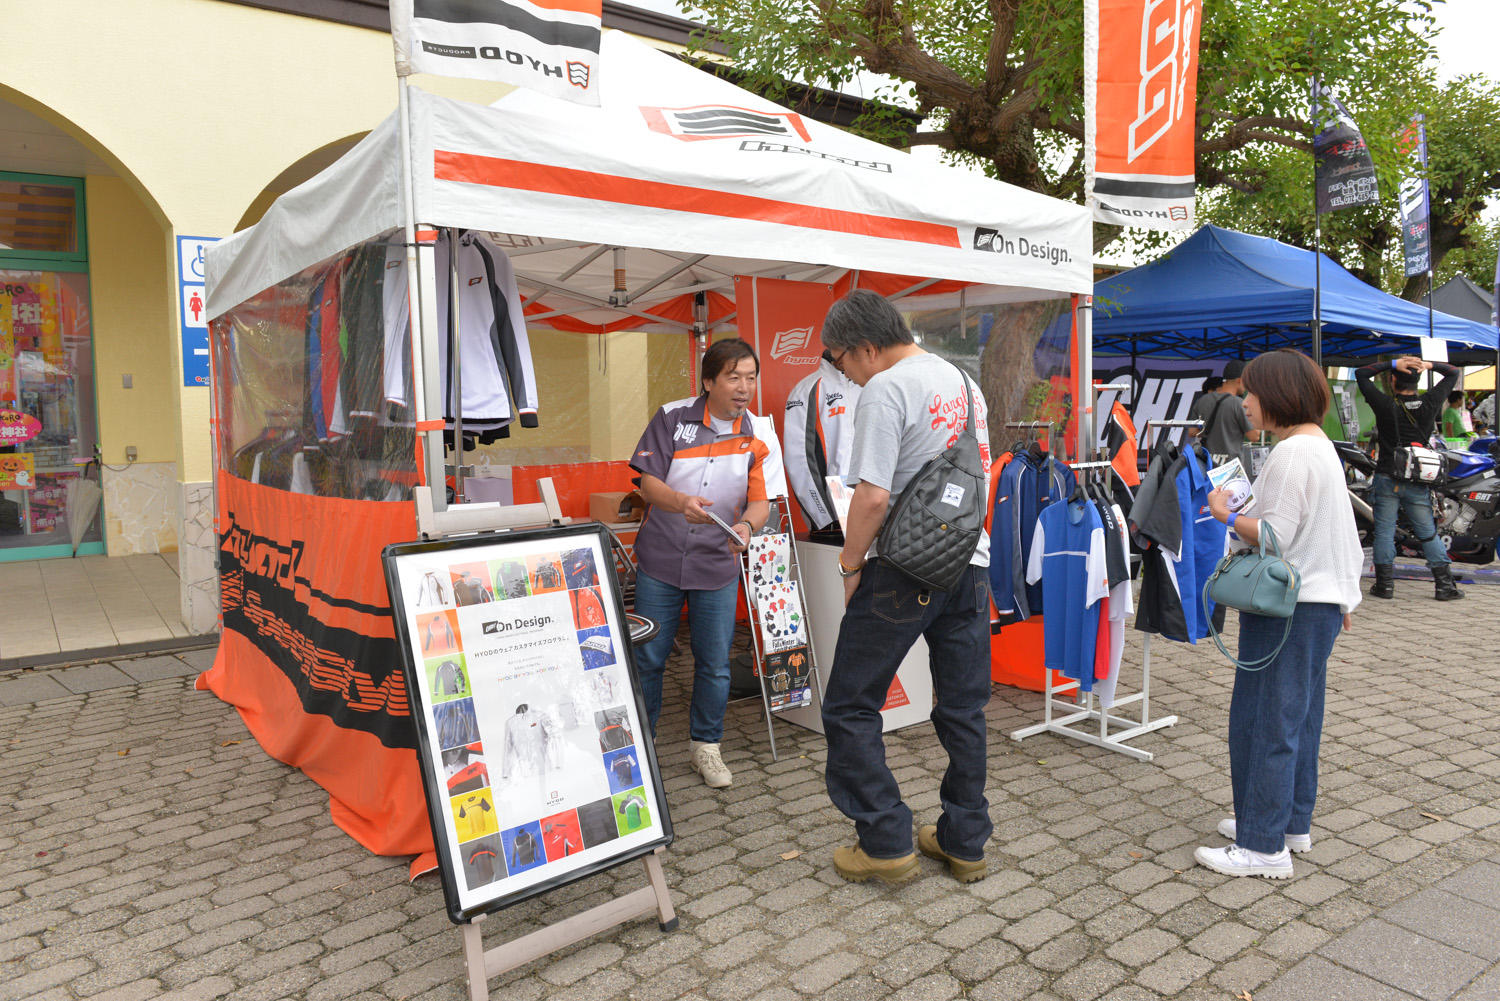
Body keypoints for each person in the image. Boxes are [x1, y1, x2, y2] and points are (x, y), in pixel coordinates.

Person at [815, 290, 994, 885]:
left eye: (841, 361)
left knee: (849, 703)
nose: (844, 373)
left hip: (904, 568)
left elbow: (871, 497)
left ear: (866, 346)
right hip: (970, 561)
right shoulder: (963, 383)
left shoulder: (887, 388)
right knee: (963, 708)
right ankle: (965, 841)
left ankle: (886, 841)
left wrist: (849, 565)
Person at [1197, 349, 1363, 879]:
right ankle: (1288, 822)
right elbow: (1336, 534)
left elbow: (1275, 536)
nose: (1245, 403)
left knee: (1265, 719)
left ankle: (1262, 846)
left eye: (1251, 393)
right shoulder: (1319, 448)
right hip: (1317, 602)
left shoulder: (1291, 454)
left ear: (1276, 396)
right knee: (1298, 717)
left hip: (1288, 607)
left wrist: (1226, 513)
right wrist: (1345, 595)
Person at [628, 339, 772, 789]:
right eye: (734, 377)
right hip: (661, 558)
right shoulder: (672, 417)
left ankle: (706, 748)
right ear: (708, 381)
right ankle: (643, 746)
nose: (744, 387)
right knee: (649, 656)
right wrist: (679, 502)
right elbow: (648, 484)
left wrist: (747, 527)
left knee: (715, 663)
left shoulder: (757, 435)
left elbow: (760, 502)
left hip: (717, 563)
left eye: (750, 377)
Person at [1354, 354, 1464, 601]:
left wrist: (1393, 363)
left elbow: (1361, 373)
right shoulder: (1430, 403)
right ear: (1418, 382)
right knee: (1427, 533)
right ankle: (1444, 586)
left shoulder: (1385, 405)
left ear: (1393, 381)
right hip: (1417, 479)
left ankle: (1385, 586)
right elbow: (1453, 372)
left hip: (1386, 477)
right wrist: (1428, 365)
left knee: (1383, 531)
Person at [783, 350, 861, 541]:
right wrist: (823, 517)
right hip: (832, 514)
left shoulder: (868, 385)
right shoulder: (808, 389)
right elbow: (799, 459)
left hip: (873, 506)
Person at [1189, 360, 1254, 468]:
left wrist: (1213, 431)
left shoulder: (1202, 400)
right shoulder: (1238, 404)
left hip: (1206, 463)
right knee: (1231, 486)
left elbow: (1191, 432)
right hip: (1230, 466)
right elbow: (1254, 436)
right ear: (1239, 380)